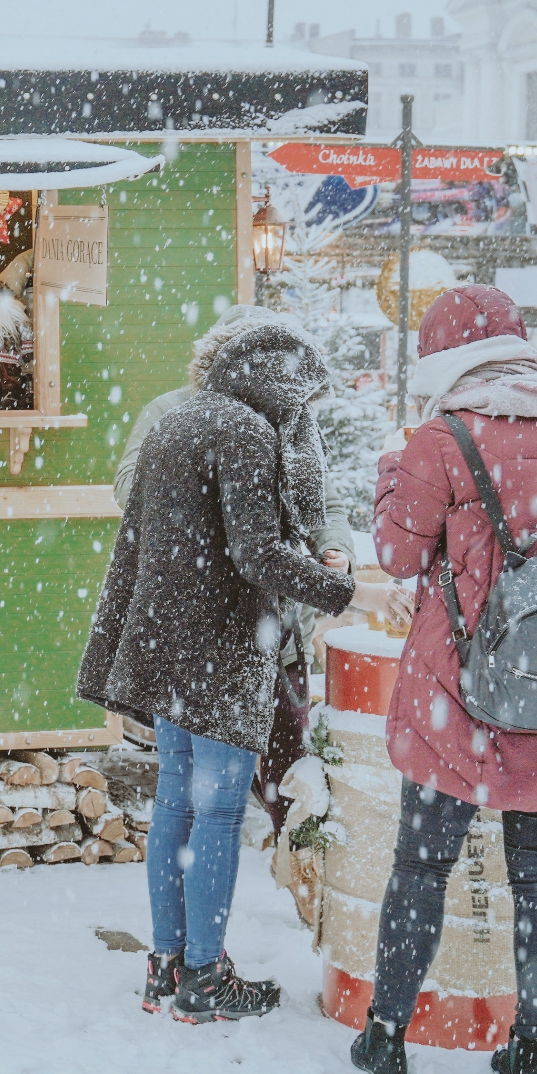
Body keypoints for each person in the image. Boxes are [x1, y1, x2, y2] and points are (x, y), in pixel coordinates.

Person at [79, 321, 408, 1024]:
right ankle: (205, 976)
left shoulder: (180, 420)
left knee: (174, 804)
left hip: (165, 640)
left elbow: (140, 537)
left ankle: (166, 966)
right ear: (277, 385)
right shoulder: (245, 432)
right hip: (220, 645)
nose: (301, 414)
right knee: (220, 812)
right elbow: (256, 554)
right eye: (301, 396)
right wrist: (359, 593)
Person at [353, 287, 537, 1074]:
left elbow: (397, 558)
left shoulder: (439, 441)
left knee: (421, 864)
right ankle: (530, 1051)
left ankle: (386, 1038)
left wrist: (389, 478)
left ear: (441, 364)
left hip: (455, 687)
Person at [115, 304, 357, 828]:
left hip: (282, 631)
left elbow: (327, 506)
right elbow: (131, 490)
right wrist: (227, 509)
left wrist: (335, 549)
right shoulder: (172, 413)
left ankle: (296, 873)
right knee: (201, 796)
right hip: (202, 631)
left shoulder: (294, 424)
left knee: (288, 776)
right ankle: (208, 876)